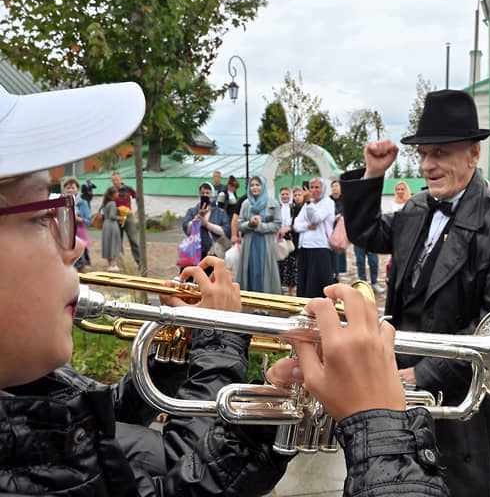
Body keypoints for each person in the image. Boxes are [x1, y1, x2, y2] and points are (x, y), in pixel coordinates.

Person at [0, 81, 448, 496]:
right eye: (43, 216)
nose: (77, 243)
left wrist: (257, 406)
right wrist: (384, 433)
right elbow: (178, 467)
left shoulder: (25, 390)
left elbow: (127, 441)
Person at [340, 89, 490, 496]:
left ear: (473, 155)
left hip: (468, 407)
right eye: (424, 153)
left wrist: (424, 373)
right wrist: (373, 174)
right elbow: (366, 232)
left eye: (441, 153)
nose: (428, 165)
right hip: (406, 392)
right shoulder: (416, 209)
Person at [235, 176, 281, 294]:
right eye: (252, 185)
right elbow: (239, 224)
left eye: (257, 185)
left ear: (263, 186)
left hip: (266, 244)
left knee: (265, 272)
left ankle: (266, 306)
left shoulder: (273, 203)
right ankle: (250, 304)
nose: (254, 188)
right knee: (250, 270)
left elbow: (277, 224)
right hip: (250, 244)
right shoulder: (246, 204)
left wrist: (260, 226)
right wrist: (250, 224)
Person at [292, 177, 336, 298]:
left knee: (319, 282)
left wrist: (308, 204)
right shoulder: (309, 204)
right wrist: (307, 226)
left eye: (317, 187)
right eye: (312, 187)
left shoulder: (327, 203)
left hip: (320, 246)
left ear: (322, 188)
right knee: (305, 282)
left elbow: (316, 218)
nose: (314, 190)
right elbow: (296, 224)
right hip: (305, 246)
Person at [181, 182, 231, 261]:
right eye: (202, 193)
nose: (205, 195)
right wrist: (197, 218)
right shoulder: (192, 211)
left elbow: (226, 231)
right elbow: (187, 229)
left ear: (212, 194)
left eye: (207, 193)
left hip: (214, 251)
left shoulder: (220, 212)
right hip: (196, 251)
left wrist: (207, 224)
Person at [110, 172, 140, 265]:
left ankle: (139, 262)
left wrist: (138, 210)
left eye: (116, 180)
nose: (115, 182)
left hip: (128, 215)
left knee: (133, 239)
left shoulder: (128, 189)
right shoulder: (110, 190)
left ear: (120, 179)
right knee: (117, 241)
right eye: (113, 180)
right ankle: (122, 263)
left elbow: (138, 198)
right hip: (116, 216)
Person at [63, 176, 92, 272]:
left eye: (73, 188)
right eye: (68, 188)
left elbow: (88, 220)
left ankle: (82, 284)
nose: (70, 190)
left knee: (80, 263)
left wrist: (77, 218)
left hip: (79, 236)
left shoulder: (82, 203)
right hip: (65, 236)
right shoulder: (61, 202)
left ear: (77, 189)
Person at [276, 185, 298, 296]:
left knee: (292, 267)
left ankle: (291, 293)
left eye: (287, 194)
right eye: (283, 194)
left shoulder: (294, 209)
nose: (285, 196)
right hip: (279, 241)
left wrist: (290, 229)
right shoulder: (276, 208)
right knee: (279, 265)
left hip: (291, 241)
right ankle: (279, 290)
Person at [100, 186, 123, 271]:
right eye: (117, 192)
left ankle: (109, 265)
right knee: (114, 243)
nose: (118, 194)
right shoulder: (113, 203)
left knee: (107, 243)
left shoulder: (105, 203)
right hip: (112, 225)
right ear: (113, 194)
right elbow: (112, 216)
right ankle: (113, 265)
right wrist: (120, 218)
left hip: (105, 224)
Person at [329, 179, 348, 280]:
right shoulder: (328, 200)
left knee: (339, 251)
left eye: (337, 186)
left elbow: (348, 212)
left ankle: (338, 273)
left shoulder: (344, 199)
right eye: (333, 186)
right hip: (330, 228)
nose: (335, 188)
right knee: (330, 252)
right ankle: (331, 271)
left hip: (341, 229)